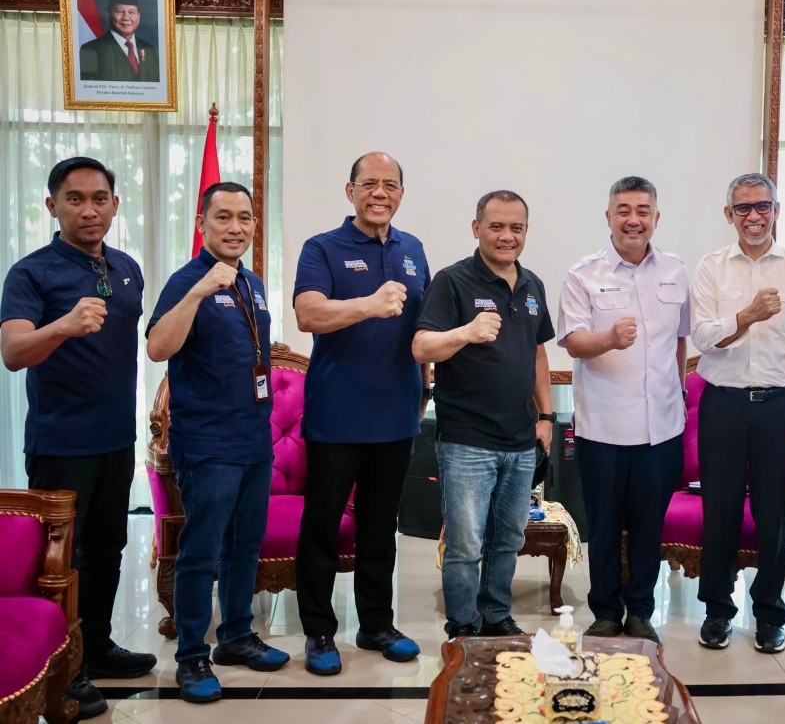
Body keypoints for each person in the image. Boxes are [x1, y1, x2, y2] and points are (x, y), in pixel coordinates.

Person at [0, 156, 156, 718]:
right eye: (75, 199)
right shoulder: (31, 273)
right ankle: (63, 672)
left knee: (108, 549)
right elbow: (14, 353)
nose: (89, 209)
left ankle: (96, 647)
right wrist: (64, 325)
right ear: (52, 206)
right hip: (61, 443)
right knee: (59, 565)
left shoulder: (128, 268)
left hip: (116, 439)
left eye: (99, 198)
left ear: (115, 203)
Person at [147, 182, 289, 703]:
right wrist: (199, 292)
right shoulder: (189, 280)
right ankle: (190, 656)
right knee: (201, 552)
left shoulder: (250, 282)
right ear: (202, 224)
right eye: (223, 217)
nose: (235, 227)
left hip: (254, 439)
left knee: (244, 545)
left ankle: (235, 636)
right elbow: (158, 347)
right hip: (207, 443)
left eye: (245, 218)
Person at [293, 152, 430, 673]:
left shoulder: (413, 249)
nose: (380, 193)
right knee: (323, 528)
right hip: (336, 416)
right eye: (369, 184)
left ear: (400, 193)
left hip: (395, 416)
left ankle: (376, 624)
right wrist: (368, 305)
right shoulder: (322, 248)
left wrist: (425, 388)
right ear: (349, 191)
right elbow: (309, 313)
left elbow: (424, 325)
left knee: (380, 529)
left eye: (390, 185)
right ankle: (319, 633)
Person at [690, 172, 785, 655]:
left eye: (762, 206)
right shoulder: (710, 268)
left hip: (781, 405)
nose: (753, 216)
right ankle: (717, 611)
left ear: (776, 211)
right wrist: (746, 316)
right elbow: (704, 338)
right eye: (743, 208)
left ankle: (769, 613)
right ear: (729, 214)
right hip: (723, 403)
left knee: (774, 514)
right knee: (720, 511)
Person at [413, 190, 555, 640]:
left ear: (526, 232)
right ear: (477, 229)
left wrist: (547, 417)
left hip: (520, 439)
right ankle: (464, 624)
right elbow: (422, 347)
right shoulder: (452, 282)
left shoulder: (532, 285)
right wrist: (467, 332)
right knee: (466, 543)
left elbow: (537, 354)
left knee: (509, 538)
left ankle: (496, 613)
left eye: (516, 227)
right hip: (466, 439)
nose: (506, 236)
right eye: (496, 226)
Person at [557, 176, 688, 645]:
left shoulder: (675, 270)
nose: (634, 219)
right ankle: (606, 611)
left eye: (644, 210)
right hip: (603, 425)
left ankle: (641, 611)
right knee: (606, 524)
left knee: (649, 525)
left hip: (662, 427)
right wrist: (610, 339)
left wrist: (679, 397)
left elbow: (679, 342)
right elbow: (573, 340)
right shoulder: (583, 274)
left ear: (656, 217)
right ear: (609, 216)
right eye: (624, 210)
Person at [79, 0, 160, 82]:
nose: (126, 18)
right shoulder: (90, 49)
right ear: (108, 14)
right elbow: (88, 91)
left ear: (138, 17)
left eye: (132, 12)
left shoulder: (150, 51)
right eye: (120, 11)